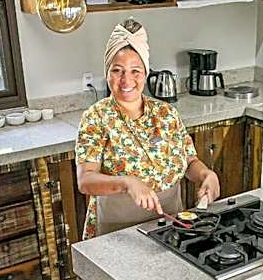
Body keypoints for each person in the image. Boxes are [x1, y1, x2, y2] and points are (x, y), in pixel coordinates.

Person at [75, 20, 220, 238]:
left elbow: (189, 161)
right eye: (117, 70)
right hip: (117, 229)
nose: (127, 80)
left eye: (136, 70)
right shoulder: (96, 118)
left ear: (146, 73)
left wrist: (206, 174)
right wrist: (127, 183)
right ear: (107, 73)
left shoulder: (166, 113)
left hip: (169, 223)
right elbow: (86, 181)